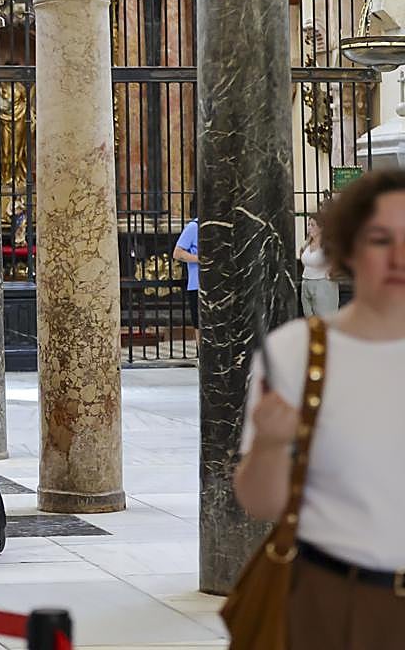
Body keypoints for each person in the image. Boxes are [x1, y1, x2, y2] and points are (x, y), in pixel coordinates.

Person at [234, 169, 405, 646]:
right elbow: (260, 502)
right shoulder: (296, 352)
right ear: (348, 248)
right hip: (333, 600)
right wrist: (269, 444)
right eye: (379, 239)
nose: (397, 256)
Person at [299, 213, 339, 316]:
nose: (309, 228)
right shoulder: (307, 244)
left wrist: (331, 272)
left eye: (313, 225)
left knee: (325, 320)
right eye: (308, 225)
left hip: (322, 283)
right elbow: (305, 261)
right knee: (311, 321)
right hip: (306, 283)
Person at [172, 205, 200, 334]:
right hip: (197, 284)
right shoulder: (193, 227)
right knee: (200, 325)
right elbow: (178, 253)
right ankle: (202, 354)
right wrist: (199, 259)